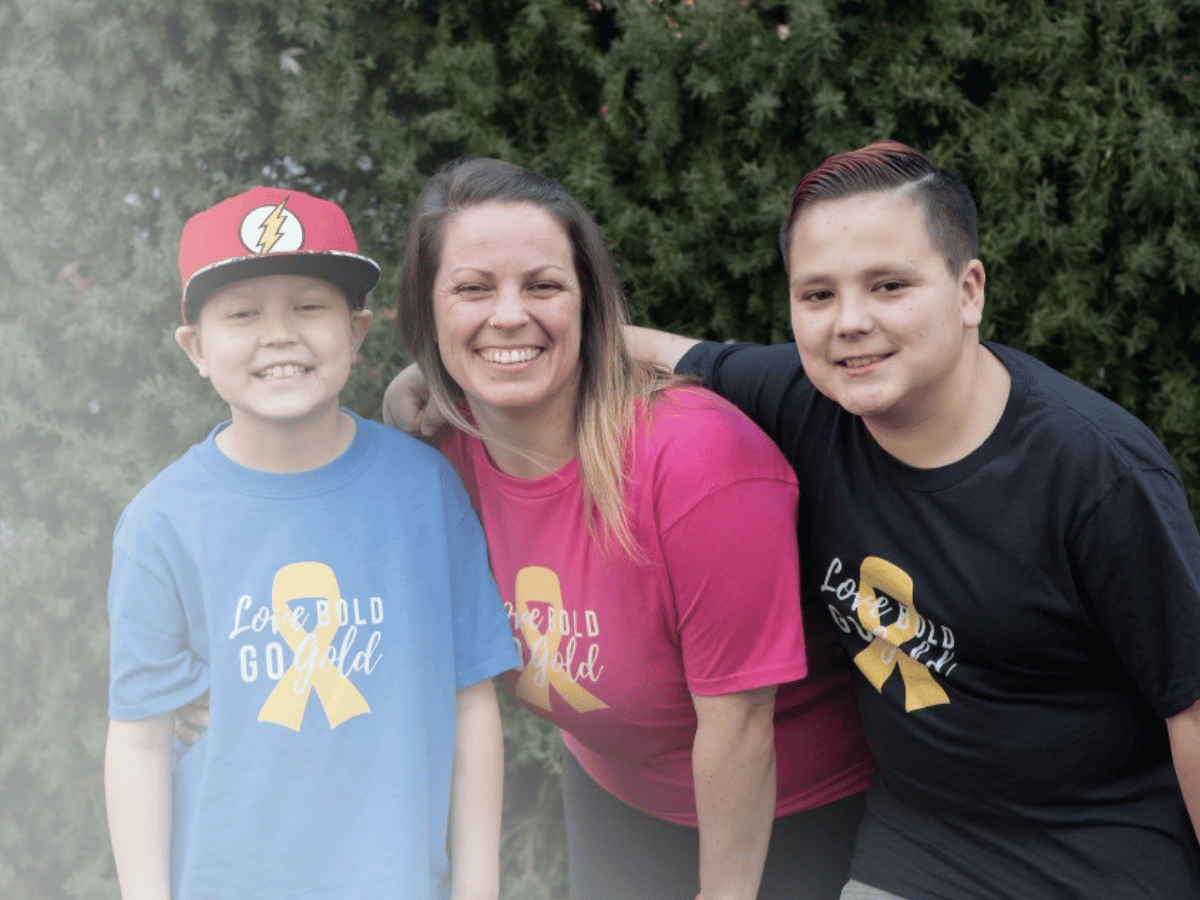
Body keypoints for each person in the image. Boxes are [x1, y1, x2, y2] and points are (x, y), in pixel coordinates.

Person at [620, 141, 1200, 899]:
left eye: (888, 285)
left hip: (1098, 848)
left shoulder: (1097, 474)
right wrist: (441, 380)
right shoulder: (802, 398)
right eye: (817, 295)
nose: (849, 322)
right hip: (919, 845)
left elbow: (1190, 707)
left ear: (969, 292)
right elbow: (656, 352)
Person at [383, 157, 876, 900]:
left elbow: (740, 728)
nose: (509, 314)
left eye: (544, 285)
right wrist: (192, 694)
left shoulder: (698, 464)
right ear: (425, 313)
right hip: (613, 793)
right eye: (473, 288)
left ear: (589, 303)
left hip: (790, 817)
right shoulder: (436, 460)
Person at [104, 186, 517, 900]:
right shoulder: (160, 522)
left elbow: (470, 705)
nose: (280, 334)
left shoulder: (424, 490)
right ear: (196, 348)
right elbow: (138, 742)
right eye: (242, 313)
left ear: (357, 332)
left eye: (309, 306)